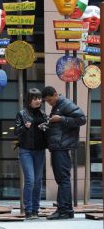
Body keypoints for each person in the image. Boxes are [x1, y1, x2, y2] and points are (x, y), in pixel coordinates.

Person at [41, 86, 86, 220]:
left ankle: (64, 210)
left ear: (55, 95)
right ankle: (66, 210)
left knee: (63, 179)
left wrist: (61, 119)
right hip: (58, 147)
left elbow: (82, 119)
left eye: (50, 100)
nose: (49, 103)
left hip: (62, 147)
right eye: (47, 102)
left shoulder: (65, 104)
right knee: (62, 179)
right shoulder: (58, 106)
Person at [14, 88, 48, 219]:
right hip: (26, 150)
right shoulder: (22, 114)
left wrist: (45, 127)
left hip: (39, 150)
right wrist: (25, 127)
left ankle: (35, 209)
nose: (38, 100)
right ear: (29, 100)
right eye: (35, 98)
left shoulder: (43, 114)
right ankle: (28, 210)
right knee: (30, 180)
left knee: (38, 181)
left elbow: (48, 130)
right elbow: (16, 132)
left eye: (39, 98)